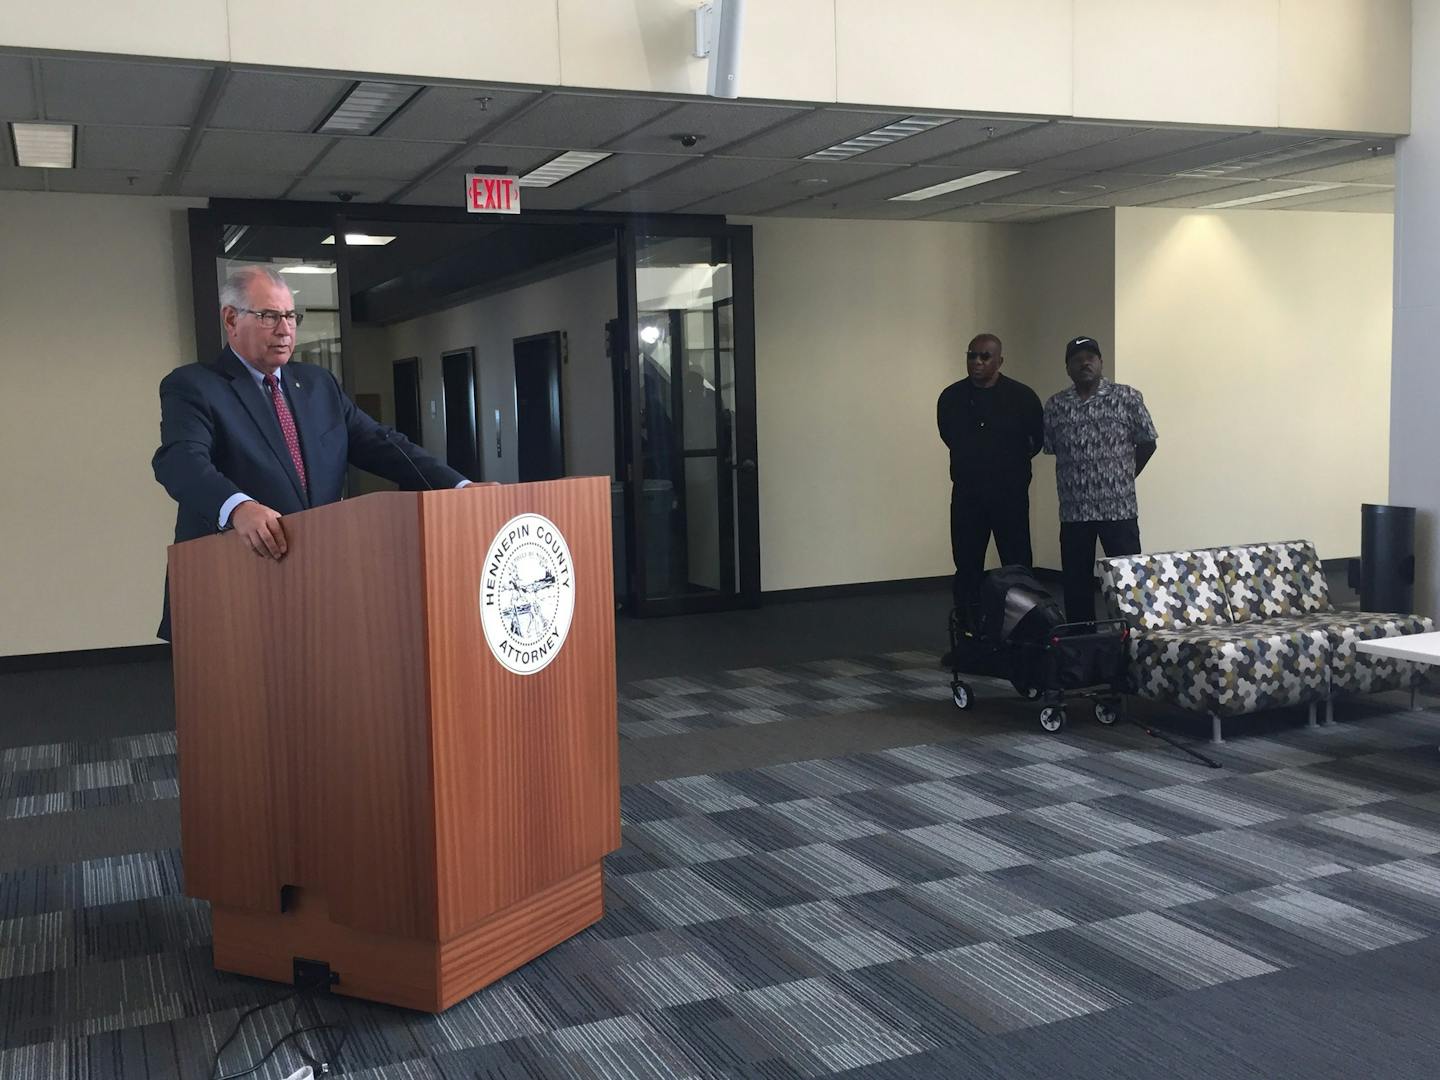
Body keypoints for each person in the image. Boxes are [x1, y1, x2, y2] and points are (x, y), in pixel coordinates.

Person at [152, 266, 473, 639]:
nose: (285, 329)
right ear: (231, 319)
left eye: (290, 316)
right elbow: (180, 460)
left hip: (317, 581)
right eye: (269, 316)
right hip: (232, 585)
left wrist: (459, 487)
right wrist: (239, 507)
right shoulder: (194, 386)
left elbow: (383, 445)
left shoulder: (318, 385)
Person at [1042, 335, 1158, 624]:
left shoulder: (1127, 397)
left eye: (1091, 357)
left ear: (1101, 362)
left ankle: (1132, 636)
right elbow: (1052, 447)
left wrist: (1124, 476)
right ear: (1067, 367)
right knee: (1076, 580)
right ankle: (1081, 641)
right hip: (1074, 509)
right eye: (1077, 358)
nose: (1085, 363)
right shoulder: (1056, 406)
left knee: (1126, 578)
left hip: (1118, 507)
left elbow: (1147, 443)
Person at [936, 333, 1044, 619]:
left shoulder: (1022, 397)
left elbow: (1035, 442)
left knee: (1017, 564)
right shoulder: (951, 398)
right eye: (972, 355)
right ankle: (969, 636)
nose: (977, 362)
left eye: (985, 356)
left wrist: (1004, 467)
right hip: (967, 496)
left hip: (1010, 495)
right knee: (967, 566)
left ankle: (1023, 635)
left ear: (1000, 360)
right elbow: (949, 436)